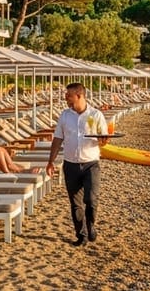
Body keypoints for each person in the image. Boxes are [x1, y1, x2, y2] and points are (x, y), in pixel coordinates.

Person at [46, 83, 109, 246]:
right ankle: (81, 235)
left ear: (79, 96)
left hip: (91, 164)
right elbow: (58, 139)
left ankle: (90, 225)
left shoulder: (96, 115)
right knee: (75, 203)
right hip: (71, 164)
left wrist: (104, 141)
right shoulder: (65, 116)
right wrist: (50, 162)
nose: (66, 98)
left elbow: (104, 139)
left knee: (92, 199)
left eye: (69, 95)